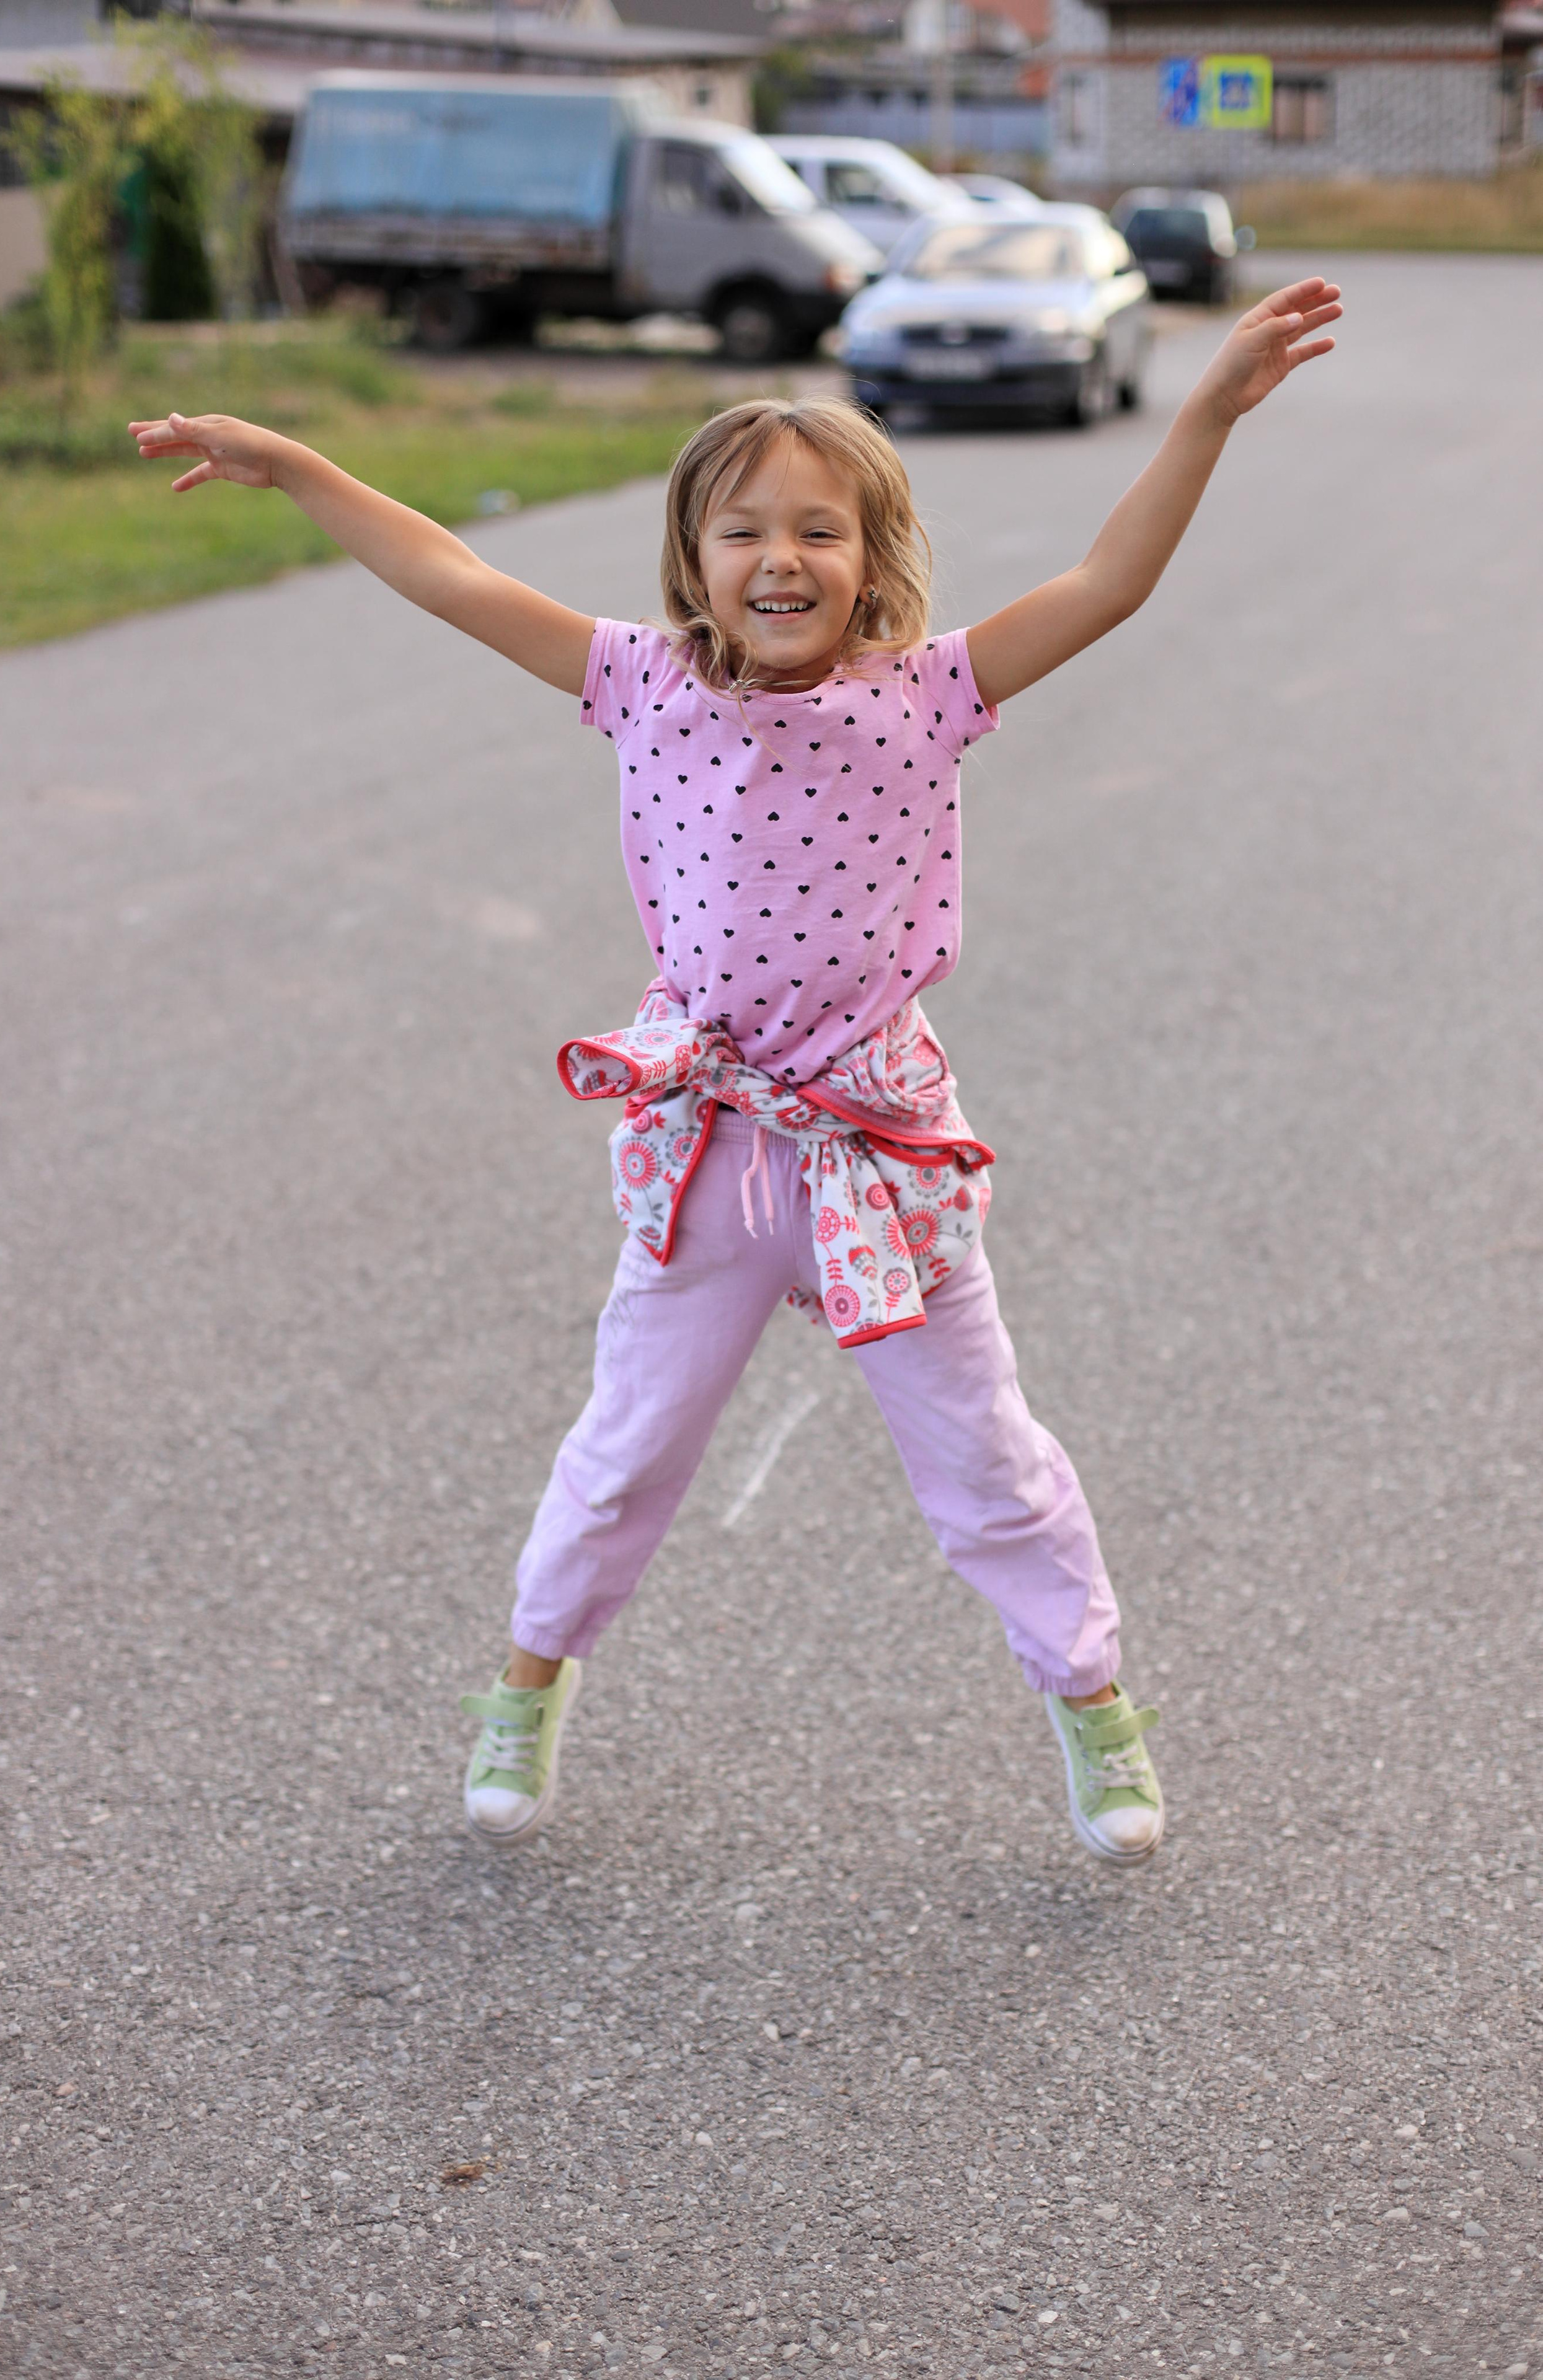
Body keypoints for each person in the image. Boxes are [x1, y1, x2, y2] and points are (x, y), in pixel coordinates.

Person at [130, 276, 1341, 1868]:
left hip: (874, 1154)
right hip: (704, 1150)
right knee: (623, 1453)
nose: (780, 558)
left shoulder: (931, 694)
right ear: (692, 562)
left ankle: (1092, 1701)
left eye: (820, 530)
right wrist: (292, 462)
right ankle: (525, 1684)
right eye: (742, 531)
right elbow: (448, 569)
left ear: (873, 559)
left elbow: (1110, 581)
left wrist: (1206, 406)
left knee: (987, 1469)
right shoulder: (639, 683)